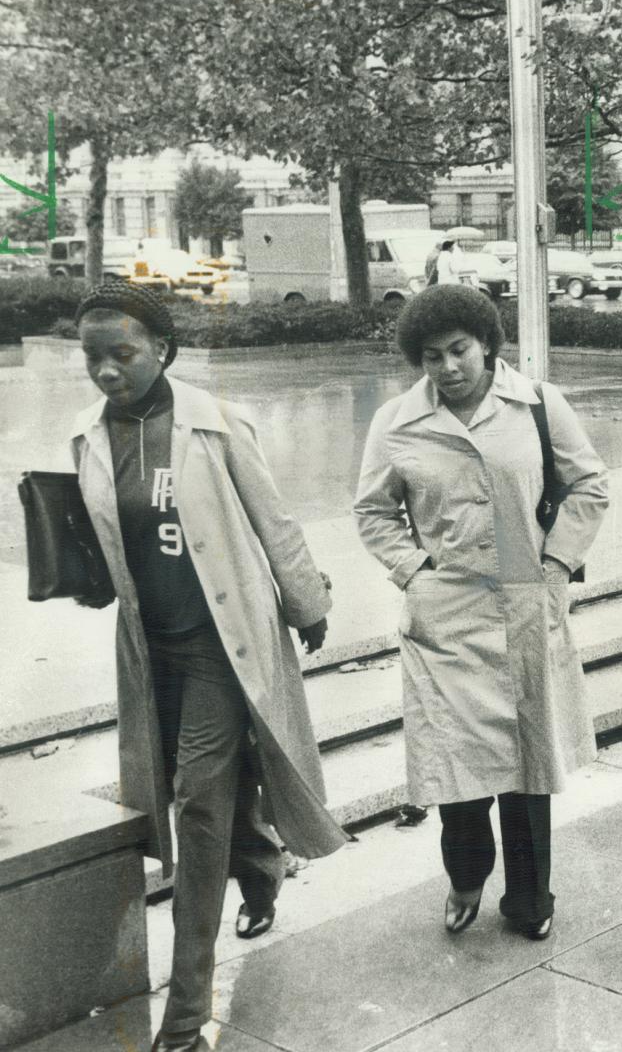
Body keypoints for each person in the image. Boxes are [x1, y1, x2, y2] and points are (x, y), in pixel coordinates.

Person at [68, 283, 349, 1052]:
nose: (105, 372)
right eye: (92, 356)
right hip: (149, 651)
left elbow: (273, 519)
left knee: (195, 807)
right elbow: (109, 546)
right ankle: (258, 862)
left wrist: (306, 602)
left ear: (163, 350)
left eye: (121, 354)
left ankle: (185, 1015)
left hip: (221, 649)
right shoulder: (87, 439)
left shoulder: (214, 425)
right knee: (190, 794)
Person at [353, 284, 608, 941]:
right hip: (445, 619)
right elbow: (374, 512)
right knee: (456, 774)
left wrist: (555, 566)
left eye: (460, 350)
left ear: (487, 345)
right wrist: (415, 572)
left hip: (525, 605)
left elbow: (588, 485)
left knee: (528, 772)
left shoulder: (539, 406)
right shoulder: (397, 423)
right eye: (431, 356)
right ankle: (465, 878)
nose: (448, 367)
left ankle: (530, 900)